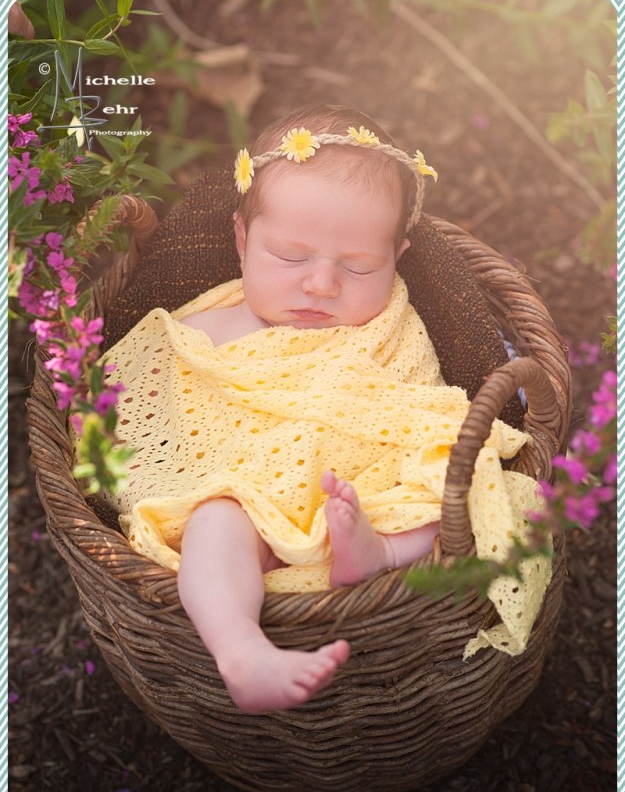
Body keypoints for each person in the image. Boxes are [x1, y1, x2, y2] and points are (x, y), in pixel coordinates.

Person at [101, 105, 538, 714]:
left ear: (397, 255)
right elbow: (132, 404)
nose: (322, 285)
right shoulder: (200, 324)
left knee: (457, 483)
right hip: (247, 508)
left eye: (359, 266)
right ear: (241, 240)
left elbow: (424, 412)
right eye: (290, 257)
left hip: (361, 497)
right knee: (216, 521)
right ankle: (240, 650)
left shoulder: (393, 326)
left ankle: (380, 554)